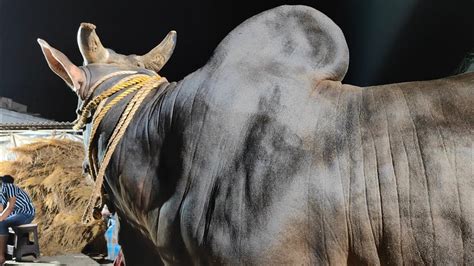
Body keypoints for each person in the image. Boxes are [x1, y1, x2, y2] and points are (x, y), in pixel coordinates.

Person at [0, 175, 35, 264]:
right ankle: (7, 254)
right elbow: (1, 208)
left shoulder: (10, 187)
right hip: (15, 214)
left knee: (2, 224)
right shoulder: (1, 192)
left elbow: (10, 208)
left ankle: (1, 257)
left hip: (25, 213)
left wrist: (0, 219)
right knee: (2, 223)